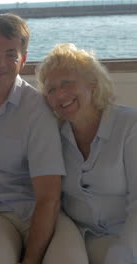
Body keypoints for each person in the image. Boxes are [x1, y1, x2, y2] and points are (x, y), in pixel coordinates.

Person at [0, 13, 88, 264]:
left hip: (40, 211)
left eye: (10, 55)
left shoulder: (38, 109)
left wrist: (31, 259)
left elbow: (48, 197)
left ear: (23, 60)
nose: (0, 62)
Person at [36, 43, 137, 264]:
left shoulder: (130, 125)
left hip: (127, 235)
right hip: (77, 235)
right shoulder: (53, 136)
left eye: (67, 83)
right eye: (51, 89)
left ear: (92, 84)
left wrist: (122, 253)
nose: (60, 94)